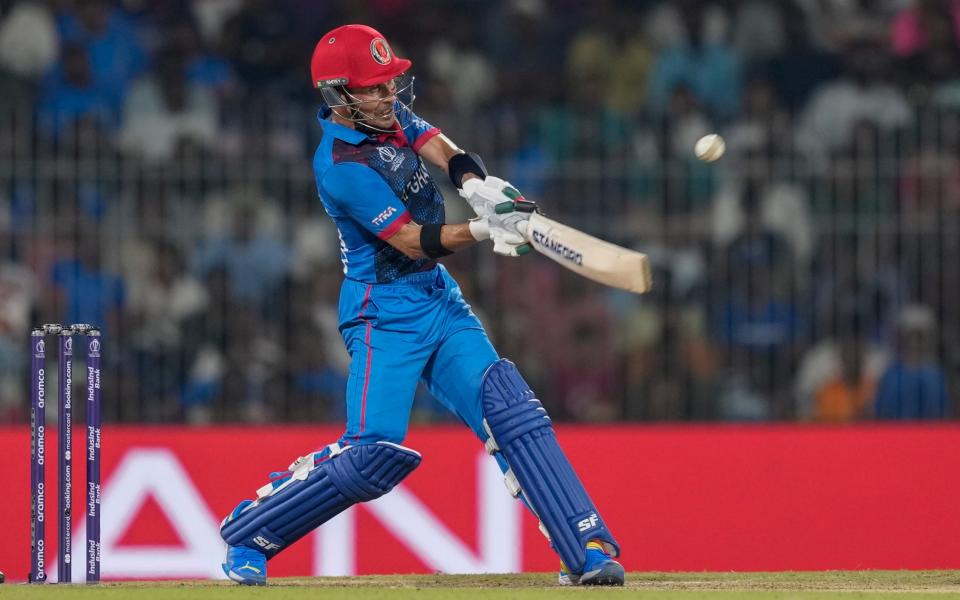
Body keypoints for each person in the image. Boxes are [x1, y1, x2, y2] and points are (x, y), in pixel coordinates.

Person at [217, 24, 624, 587]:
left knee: (511, 411)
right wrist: (484, 229)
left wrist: (479, 186)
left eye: (390, 84)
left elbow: (443, 149)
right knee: (372, 455)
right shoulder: (341, 165)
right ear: (339, 95)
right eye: (375, 88)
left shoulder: (385, 118)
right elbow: (411, 239)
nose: (390, 97)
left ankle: (586, 547)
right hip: (382, 315)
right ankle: (250, 532)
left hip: (437, 298)